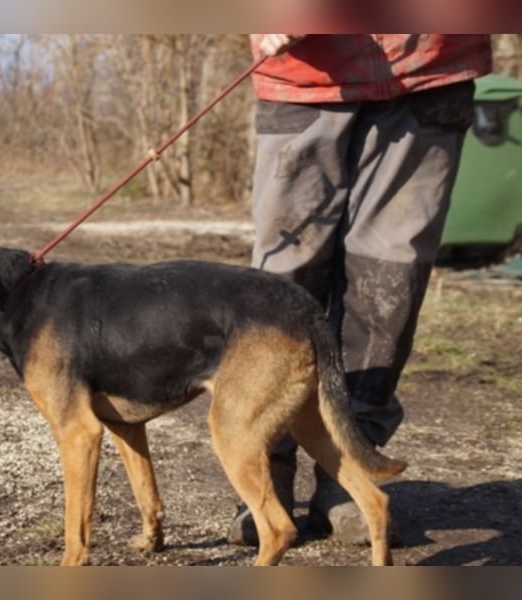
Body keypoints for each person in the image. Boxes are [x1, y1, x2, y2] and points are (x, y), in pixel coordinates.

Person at [229, 34, 493, 546]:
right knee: (283, 277)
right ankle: (266, 471)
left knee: (391, 274)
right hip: (305, 73)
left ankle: (351, 466)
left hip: (430, 64)